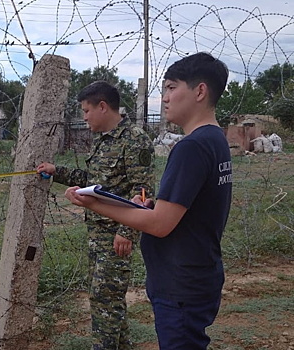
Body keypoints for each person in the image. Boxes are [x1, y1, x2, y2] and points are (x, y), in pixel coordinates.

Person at [64, 52, 232, 350]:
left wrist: (94, 203)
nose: (164, 97)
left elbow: (160, 225)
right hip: (197, 273)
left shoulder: (191, 147)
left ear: (200, 91)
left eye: (170, 87)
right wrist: (149, 207)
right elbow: (183, 209)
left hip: (181, 282)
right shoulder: (215, 139)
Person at [37, 81, 155, 350]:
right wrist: (57, 171)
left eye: (87, 110)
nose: (85, 117)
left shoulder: (134, 140)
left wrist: (126, 232)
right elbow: (92, 181)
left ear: (103, 107)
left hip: (117, 236)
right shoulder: (101, 141)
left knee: (105, 301)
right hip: (97, 235)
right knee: (108, 301)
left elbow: (145, 193)